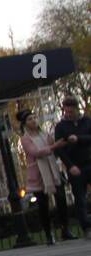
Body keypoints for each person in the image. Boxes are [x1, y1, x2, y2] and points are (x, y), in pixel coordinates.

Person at [18, 108, 73, 245]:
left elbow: (54, 143)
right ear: (25, 123)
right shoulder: (25, 139)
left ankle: (65, 229)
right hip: (38, 174)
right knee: (43, 205)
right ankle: (49, 233)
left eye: (35, 117)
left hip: (52, 170)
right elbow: (36, 152)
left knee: (61, 199)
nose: (34, 121)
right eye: (30, 119)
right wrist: (54, 146)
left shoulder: (45, 134)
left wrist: (59, 143)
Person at [53, 97, 91, 237]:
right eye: (66, 111)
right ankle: (86, 227)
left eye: (71, 111)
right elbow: (59, 149)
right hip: (75, 166)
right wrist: (70, 166)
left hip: (89, 160)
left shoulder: (87, 122)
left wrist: (79, 138)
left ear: (76, 109)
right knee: (80, 198)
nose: (68, 114)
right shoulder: (61, 127)